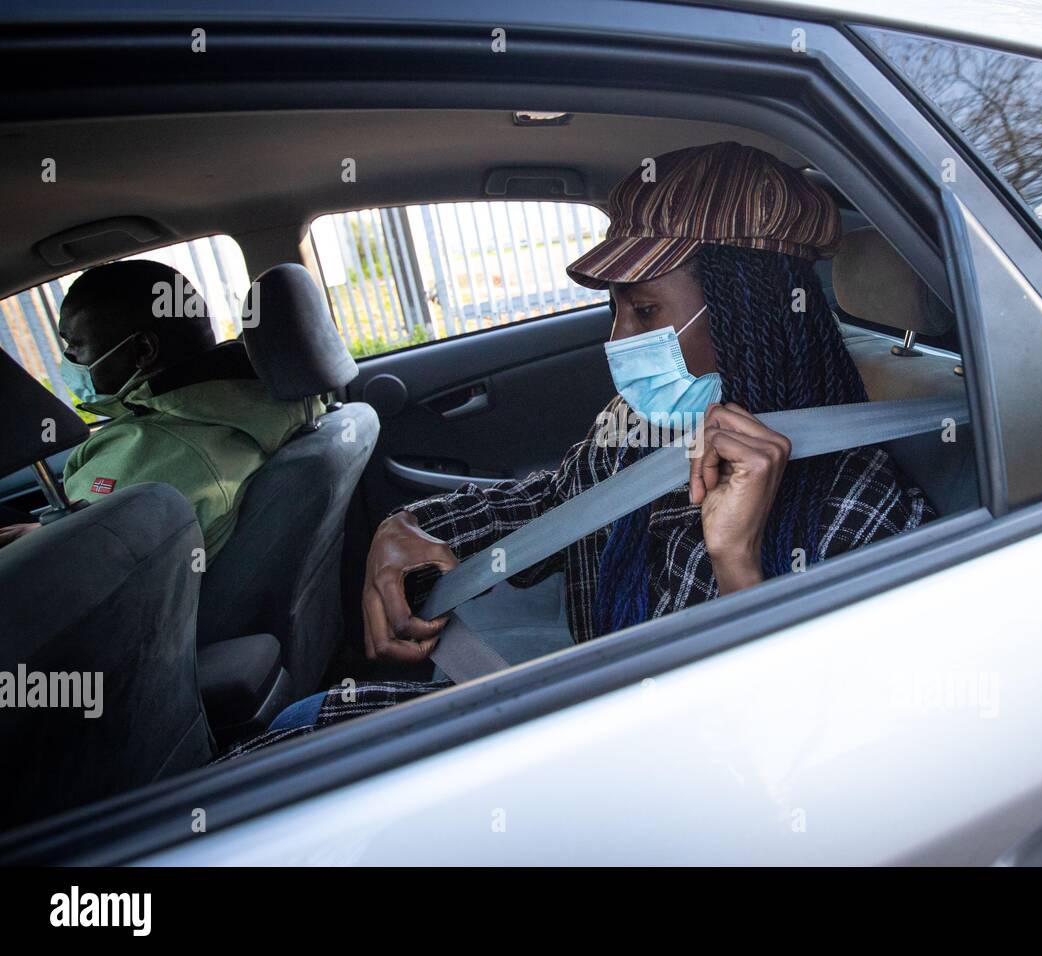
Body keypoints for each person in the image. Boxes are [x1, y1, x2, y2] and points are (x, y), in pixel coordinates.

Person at [227, 140, 936, 750]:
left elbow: (800, 755)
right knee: (298, 721)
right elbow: (558, 500)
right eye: (618, 308)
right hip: (586, 712)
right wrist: (411, 528)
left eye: (646, 309)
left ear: (750, 305)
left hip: (653, 774)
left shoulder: (853, 505)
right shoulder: (650, 426)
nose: (617, 339)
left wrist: (736, 563)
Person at [0, 260, 318, 558]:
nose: (68, 359)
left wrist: (42, 536)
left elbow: (90, 559)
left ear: (143, 350)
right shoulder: (252, 403)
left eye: (75, 344)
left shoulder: (173, 448)